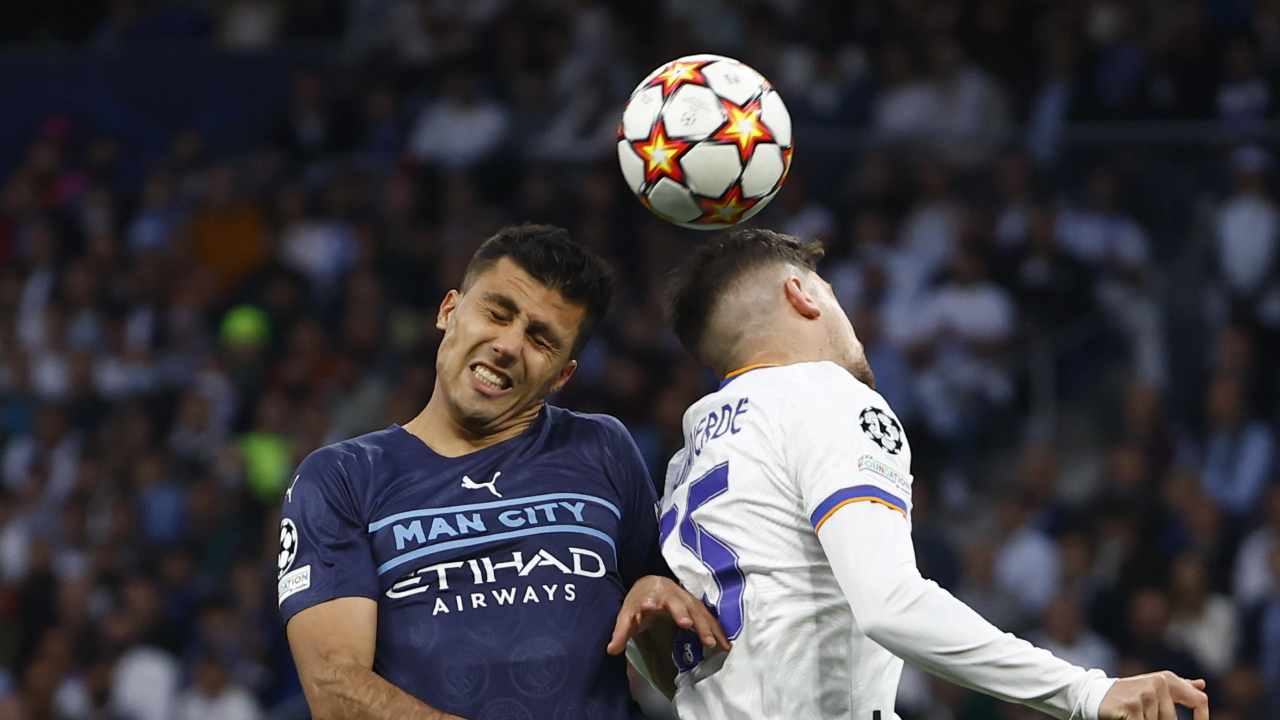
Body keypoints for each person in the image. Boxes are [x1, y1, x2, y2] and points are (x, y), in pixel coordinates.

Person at [658, 228, 1210, 720]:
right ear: (801, 295)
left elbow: (666, 668)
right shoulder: (825, 396)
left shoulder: (687, 461)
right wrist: (1087, 692)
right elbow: (890, 605)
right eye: (832, 293)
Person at [279, 224, 727, 719]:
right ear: (449, 310)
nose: (508, 345)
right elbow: (336, 692)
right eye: (497, 313)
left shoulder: (601, 447)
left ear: (562, 376)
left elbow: (677, 671)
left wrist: (656, 603)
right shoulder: (342, 477)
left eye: (541, 339)